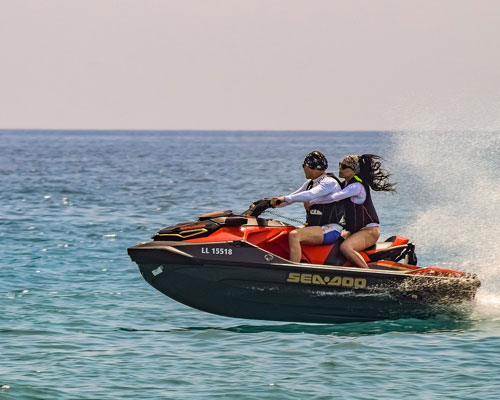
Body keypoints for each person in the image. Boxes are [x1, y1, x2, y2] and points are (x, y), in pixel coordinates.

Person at [270, 151, 344, 263]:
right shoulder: (310, 183)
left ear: (308, 167)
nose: (303, 169)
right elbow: (293, 197)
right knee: (284, 232)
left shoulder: (329, 182)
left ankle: (294, 269)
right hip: (317, 228)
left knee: (294, 235)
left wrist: (285, 198)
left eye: (303, 166)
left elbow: (310, 194)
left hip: (331, 229)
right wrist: (268, 204)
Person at [324, 154, 396, 269]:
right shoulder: (345, 184)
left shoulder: (357, 186)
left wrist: (311, 197)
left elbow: (334, 197)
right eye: (339, 165)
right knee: (333, 242)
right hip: (354, 231)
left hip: (369, 231)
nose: (339, 168)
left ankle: (367, 274)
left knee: (345, 247)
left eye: (344, 166)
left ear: (353, 171)